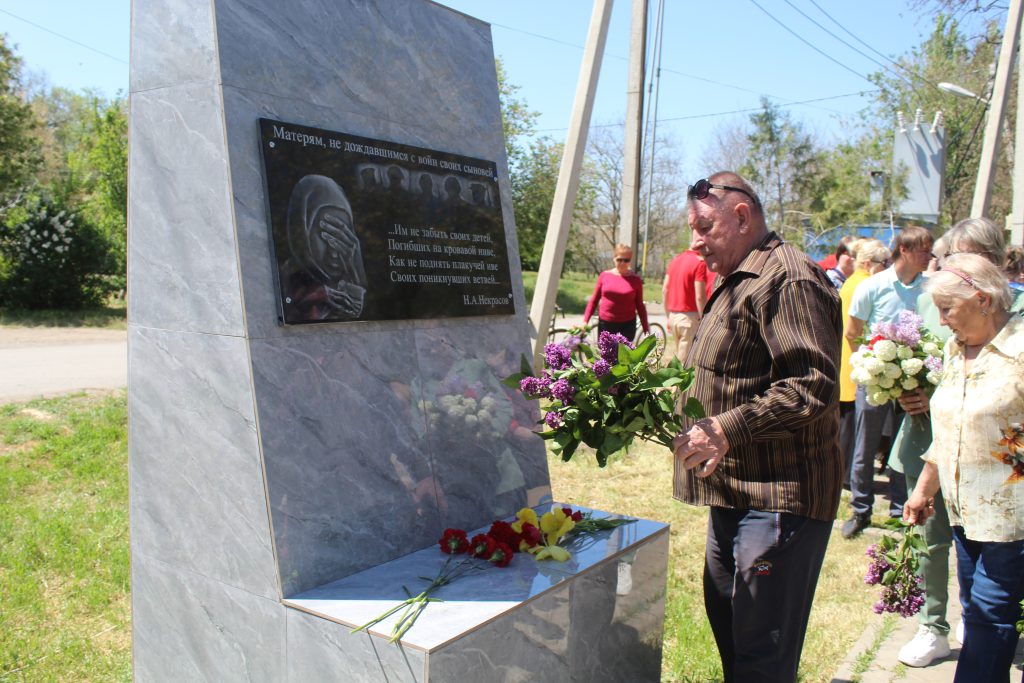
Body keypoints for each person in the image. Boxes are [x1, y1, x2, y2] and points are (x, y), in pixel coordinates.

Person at [672, 172, 841, 683]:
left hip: (777, 500)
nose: (694, 241)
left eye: (704, 226)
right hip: (734, 492)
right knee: (733, 634)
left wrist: (725, 428)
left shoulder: (787, 277)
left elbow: (810, 385)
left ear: (742, 216)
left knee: (761, 653)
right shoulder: (736, 274)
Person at [890, 218, 1022, 666]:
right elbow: (950, 429)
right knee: (982, 613)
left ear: (982, 300)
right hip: (967, 518)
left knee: (989, 618)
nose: (942, 321)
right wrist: (924, 490)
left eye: (948, 309)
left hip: (1012, 521)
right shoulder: (954, 349)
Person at [842, 225, 934, 538]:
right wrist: (870, 368)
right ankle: (860, 510)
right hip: (875, 382)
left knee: (903, 446)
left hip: (911, 381)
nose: (929, 256)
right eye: (923, 249)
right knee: (865, 446)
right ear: (905, 250)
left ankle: (899, 511)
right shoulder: (874, 286)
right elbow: (853, 333)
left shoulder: (930, 290)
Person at [838, 239, 890, 487]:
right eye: (884, 263)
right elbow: (853, 330)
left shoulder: (852, 282)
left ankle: (846, 475)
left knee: (848, 425)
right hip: (854, 361)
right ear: (868, 263)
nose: (886, 268)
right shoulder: (863, 285)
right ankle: (847, 477)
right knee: (850, 426)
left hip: (847, 359)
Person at [282, 174, 367, 322]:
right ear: (303, 231)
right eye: (326, 234)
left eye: (343, 237)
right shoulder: (287, 287)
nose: (334, 249)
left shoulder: (341, 289)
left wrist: (357, 281)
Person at [582, 244, 650, 342]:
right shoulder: (604, 276)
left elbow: (640, 305)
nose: (622, 263)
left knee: (623, 357)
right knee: (606, 355)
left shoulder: (636, 280)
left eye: (626, 260)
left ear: (630, 261)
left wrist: (646, 330)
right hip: (606, 324)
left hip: (627, 325)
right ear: (614, 258)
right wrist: (585, 321)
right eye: (619, 259)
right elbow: (594, 300)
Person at [662, 246, 710, 363]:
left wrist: (668, 316)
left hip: (673, 316)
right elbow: (699, 296)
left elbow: (665, 289)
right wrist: (706, 319)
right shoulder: (699, 263)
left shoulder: (675, 261)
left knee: (680, 356)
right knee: (684, 363)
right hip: (689, 318)